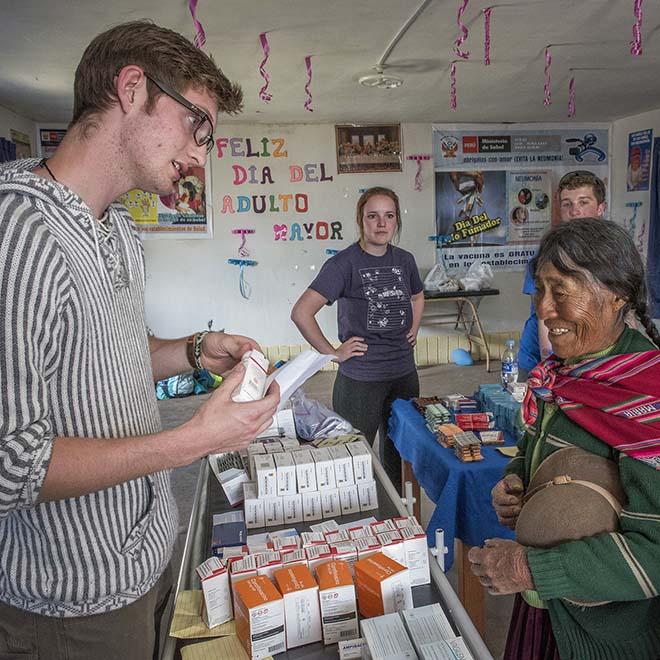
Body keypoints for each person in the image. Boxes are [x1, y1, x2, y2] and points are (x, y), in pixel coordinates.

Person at [0, 20, 280, 660]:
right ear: (131, 88)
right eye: (196, 125)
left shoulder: (118, 227)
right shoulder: (19, 232)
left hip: (148, 557)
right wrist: (191, 441)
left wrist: (191, 350)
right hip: (70, 602)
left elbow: (112, 355)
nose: (200, 154)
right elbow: (9, 465)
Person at [468, 218, 660, 660]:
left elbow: (655, 552)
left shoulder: (644, 398)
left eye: (562, 291)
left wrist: (526, 567)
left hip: (608, 638)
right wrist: (517, 483)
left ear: (617, 296)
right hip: (549, 613)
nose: (544, 309)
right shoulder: (562, 380)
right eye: (540, 290)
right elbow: (535, 453)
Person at [291, 187, 424, 487]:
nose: (381, 223)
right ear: (360, 220)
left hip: (404, 373)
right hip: (361, 379)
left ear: (396, 221)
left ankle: (398, 516)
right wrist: (333, 353)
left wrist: (413, 327)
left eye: (389, 216)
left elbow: (417, 296)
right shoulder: (343, 264)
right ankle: (357, 524)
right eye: (372, 216)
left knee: (399, 454)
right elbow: (301, 312)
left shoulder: (405, 260)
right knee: (351, 457)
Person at [517, 170, 606, 378]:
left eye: (583, 202)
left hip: (595, 359)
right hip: (543, 360)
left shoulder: (612, 254)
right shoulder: (547, 254)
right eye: (567, 204)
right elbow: (544, 314)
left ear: (600, 208)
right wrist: (552, 366)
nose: (575, 211)